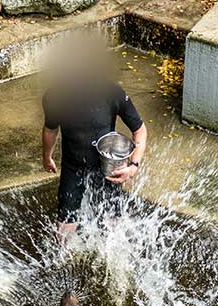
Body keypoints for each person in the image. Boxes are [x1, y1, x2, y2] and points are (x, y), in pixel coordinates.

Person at [41, 78, 147, 235]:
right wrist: (47, 157)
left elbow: (140, 131)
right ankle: (64, 257)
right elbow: (50, 129)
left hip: (108, 167)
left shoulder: (111, 92)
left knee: (112, 221)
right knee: (65, 222)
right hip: (72, 166)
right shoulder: (55, 96)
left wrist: (133, 166)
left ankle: (112, 253)